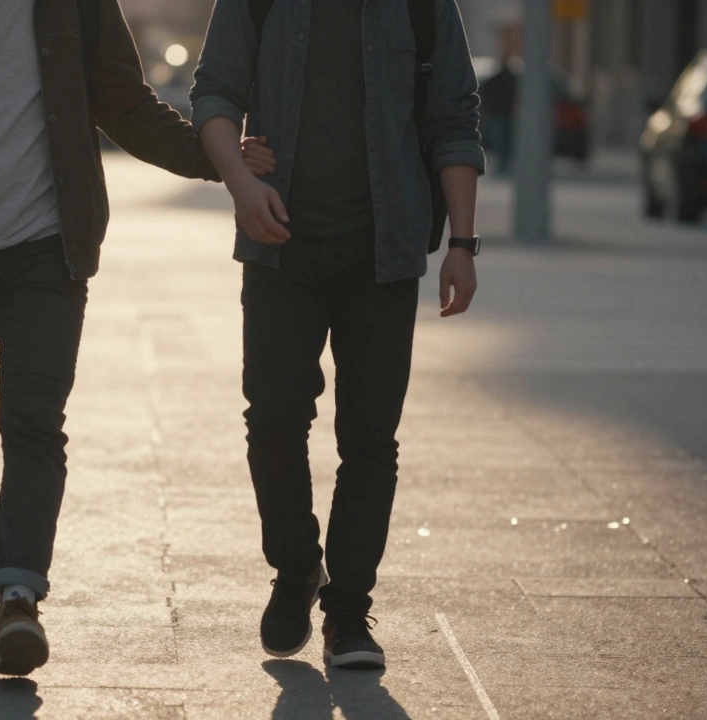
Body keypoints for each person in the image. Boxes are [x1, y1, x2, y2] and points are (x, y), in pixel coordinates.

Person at [0, 0, 274, 677]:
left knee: (33, 421)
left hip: (48, 248)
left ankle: (18, 592)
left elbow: (125, 104)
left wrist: (212, 156)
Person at [191, 0, 483, 670]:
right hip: (279, 245)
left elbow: (453, 115)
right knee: (272, 418)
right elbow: (215, 90)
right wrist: (239, 181)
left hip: (382, 253)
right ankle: (295, 569)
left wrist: (463, 244)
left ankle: (348, 611)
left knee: (370, 437)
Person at [479, 54, 520, 175]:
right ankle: (503, 166)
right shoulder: (508, 79)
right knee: (503, 142)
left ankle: (503, 166)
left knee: (503, 142)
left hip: (502, 114)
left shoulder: (503, 79)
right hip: (500, 114)